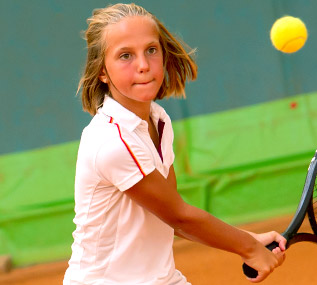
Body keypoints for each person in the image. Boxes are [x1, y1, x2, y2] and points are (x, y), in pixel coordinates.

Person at [64, 3, 286, 284]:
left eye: (151, 50)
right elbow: (179, 217)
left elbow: (170, 211)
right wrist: (248, 248)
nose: (143, 65)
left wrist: (247, 239)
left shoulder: (158, 120)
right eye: (125, 56)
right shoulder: (111, 141)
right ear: (102, 72)